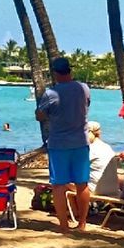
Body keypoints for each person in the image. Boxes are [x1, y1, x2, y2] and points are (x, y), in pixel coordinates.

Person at [35, 57, 91, 233]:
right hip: (81, 141)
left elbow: (40, 116)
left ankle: (64, 225)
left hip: (59, 143)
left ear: (55, 73)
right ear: (70, 70)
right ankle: (82, 223)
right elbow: (87, 105)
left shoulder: (51, 93)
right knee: (82, 184)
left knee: (59, 185)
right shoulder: (83, 88)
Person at [86, 121, 119, 196]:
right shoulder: (107, 147)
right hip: (113, 190)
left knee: (62, 182)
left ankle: (72, 208)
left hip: (96, 190)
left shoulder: (90, 149)